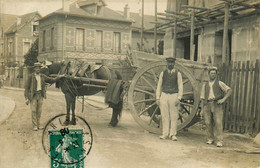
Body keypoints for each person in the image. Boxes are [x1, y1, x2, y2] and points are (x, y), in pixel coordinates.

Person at [24, 62, 64, 131]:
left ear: (40, 69)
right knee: (33, 110)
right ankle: (35, 126)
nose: (38, 69)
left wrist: (59, 77)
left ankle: (38, 124)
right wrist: (26, 98)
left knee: (39, 111)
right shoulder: (31, 76)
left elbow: (51, 80)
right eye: (36, 68)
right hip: (33, 95)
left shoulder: (42, 76)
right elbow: (27, 87)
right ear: (34, 69)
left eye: (39, 68)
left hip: (40, 95)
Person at [200, 67, 232, 147]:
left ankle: (219, 141)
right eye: (211, 73)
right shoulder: (205, 85)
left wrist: (223, 99)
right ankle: (210, 139)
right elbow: (202, 97)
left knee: (218, 123)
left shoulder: (220, 83)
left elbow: (229, 90)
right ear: (209, 75)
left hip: (216, 105)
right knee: (208, 122)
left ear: (216, 74)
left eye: (214, 73)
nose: (213, 75)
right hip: (207, 104)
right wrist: (201, 109)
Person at [156, 57, 183, 141]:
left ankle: (173, 134)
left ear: (174, 64)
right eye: (169, 62)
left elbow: (180, 85)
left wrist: (179, 98)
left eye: (172, 62)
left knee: (174, 115)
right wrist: (157, 97)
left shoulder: (178, 74)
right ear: (166, 63)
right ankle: (165, 133)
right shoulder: (163, 73)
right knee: (164, 115)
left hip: (174, 95)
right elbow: (159, 86)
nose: (170, 64)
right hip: (164, 95)